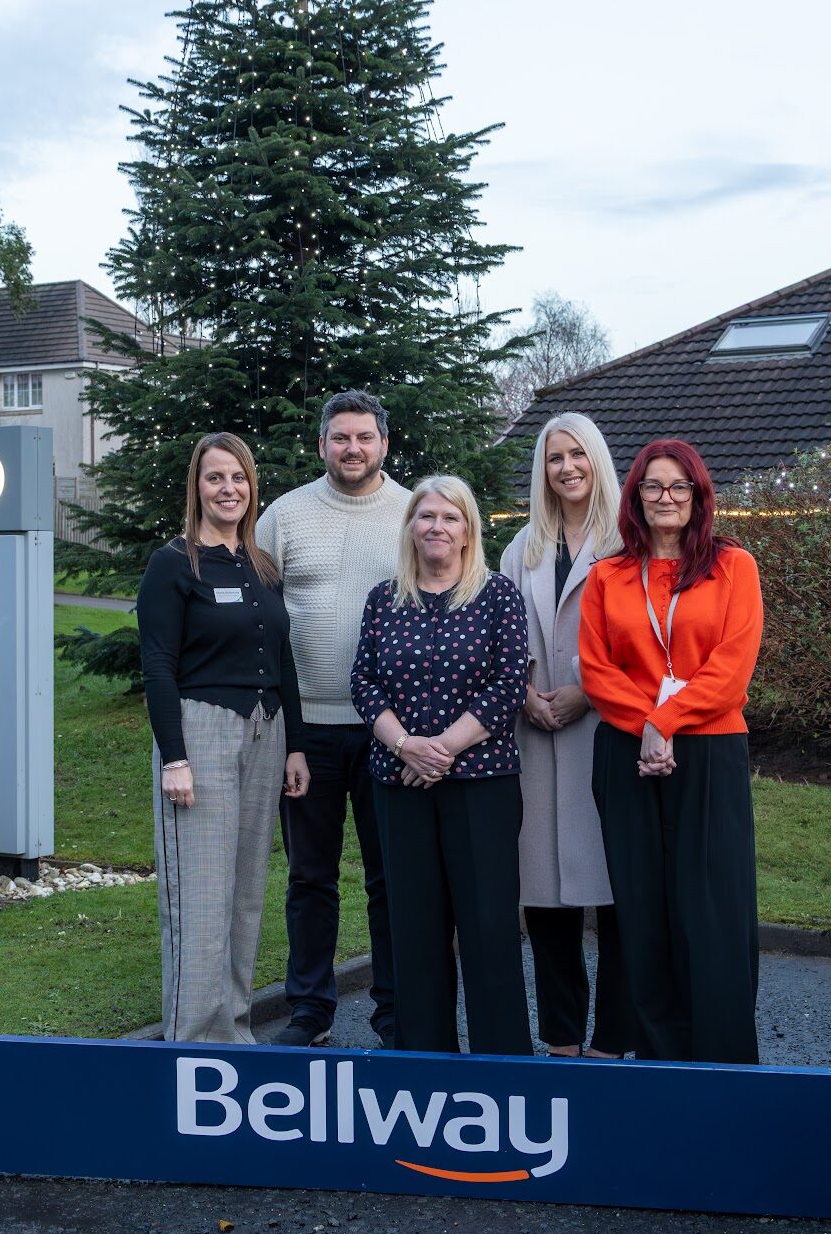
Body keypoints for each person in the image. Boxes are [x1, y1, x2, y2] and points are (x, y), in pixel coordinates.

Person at [579, 438, 764, 1065]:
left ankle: (724, 1061)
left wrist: (665, 721)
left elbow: (731, 669)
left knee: (712, 909)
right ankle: (660, 1063)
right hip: (625, 754)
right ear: (635, 497)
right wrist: (648, 727)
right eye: (653, 486)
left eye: (678, 486)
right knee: (642, 910)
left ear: (698, 496)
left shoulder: (734, 567)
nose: (666, 497)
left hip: (710, 752)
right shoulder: (607, 576)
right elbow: (596, 670)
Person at [351, 474, 533, 1056]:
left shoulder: (498, 595)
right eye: (426, 516)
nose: (437, 527)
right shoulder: (385, 598)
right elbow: (364, 682)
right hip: (400, 785)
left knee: (488, 929)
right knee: (415, 931)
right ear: (410, 527)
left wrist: (442, 749)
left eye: (450, 517)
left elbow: (508, 685)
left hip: (482, 786)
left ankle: (502, 1065)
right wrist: (406, 745)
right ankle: (423, 1061)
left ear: (468, 530)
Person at [137, 432, 310, 1044]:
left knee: (244, 897)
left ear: (251, 487)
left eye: (238, 478)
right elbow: (158, 665)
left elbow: (283, 658)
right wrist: (174, 758)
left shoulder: (260, 566)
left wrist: (294, 745)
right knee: (201, 898)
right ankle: (191, 1045)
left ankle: (234, 1034)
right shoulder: (173, 564)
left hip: (266, 733)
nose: (228, 489)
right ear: (197, 487)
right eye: (216, 477)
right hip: (201, 733)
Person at [256, 390, 410, 1047]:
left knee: (390, 878)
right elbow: (258, 619)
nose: (353, 448)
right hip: (305, 732)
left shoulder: (413, 514)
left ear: (384, 444)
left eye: (364, 437)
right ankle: (310, 1010)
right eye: (341, 437)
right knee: (310, 876)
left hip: (389, 731)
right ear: (321, 445)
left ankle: (395, 1012)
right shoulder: (284, 517)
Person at [500, 413, 635, 1059]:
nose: (567, 467)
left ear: (597, 460)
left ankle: (611, 1039)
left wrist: (588, 691)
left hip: (606, 732)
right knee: (545, 895)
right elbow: (501, 634)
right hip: (535, 734)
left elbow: (642, 637)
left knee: (617, 893)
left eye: (578, 454)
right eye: (555, 457)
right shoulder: (521, 546)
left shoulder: (627, 542)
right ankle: (561, 1038)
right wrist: (523, 692)